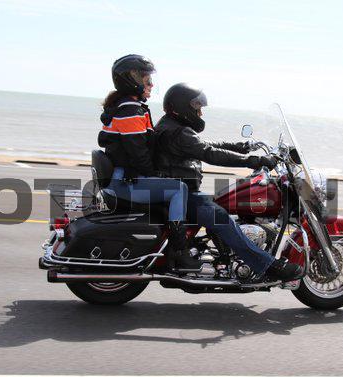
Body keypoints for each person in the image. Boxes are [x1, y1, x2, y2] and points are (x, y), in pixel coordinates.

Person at [154, 83, 305, 282]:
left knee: (223, 204)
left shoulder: (173, 127)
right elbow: (210, 153)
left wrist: (241, 146)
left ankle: (228, 253)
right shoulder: (177, 133)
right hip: (184, 193)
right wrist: (255, 161)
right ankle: (266, 265)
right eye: (197, 108)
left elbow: (205, 145)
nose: (200, 113)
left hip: (180, 189)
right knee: (221, 218)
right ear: (183, 107)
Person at [98, 55, 200, 271]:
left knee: (173, 186)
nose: (151, 85)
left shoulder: (126, 107)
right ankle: (179, 251)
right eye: (147, 80)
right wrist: (155, 174)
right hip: (125, 182)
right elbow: (138, 153)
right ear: (131, 80)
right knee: (179, 189)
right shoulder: (130, 110)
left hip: (123, 177)